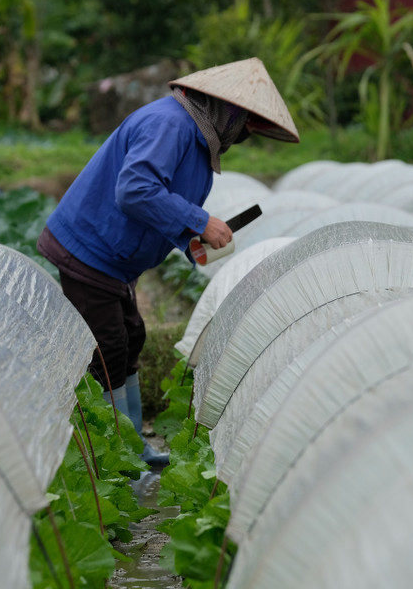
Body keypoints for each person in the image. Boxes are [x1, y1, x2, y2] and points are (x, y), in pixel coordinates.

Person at [37, 57, 299, 466]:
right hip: (88, 249)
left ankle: (132, 448)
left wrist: (191, 237)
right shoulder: (170, 124)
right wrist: (198, 220)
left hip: (115, 259)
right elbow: (135, 190)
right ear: (226, 110)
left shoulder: (195, 136)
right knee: (105, 351)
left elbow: (159, 203)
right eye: (245, 124)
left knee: (130, 340)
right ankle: (110, 460)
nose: (244, 135)